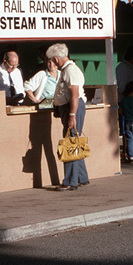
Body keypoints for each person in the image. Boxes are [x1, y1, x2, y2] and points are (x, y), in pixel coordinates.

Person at [49, 43, 89, 191]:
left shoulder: (70, 70)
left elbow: (75, 94)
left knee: (70, 141)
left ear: (56, 58)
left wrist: (72, 115)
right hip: (69, 107)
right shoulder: (67, 70)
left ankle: (70, 180)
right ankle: (81, 177)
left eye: (52, 60)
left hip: (72, 107)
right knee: (74, 140)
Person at [115, 45, 133, 134]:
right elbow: (121, 87)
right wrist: (128, 102)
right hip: (129, 103)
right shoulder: (122, 67)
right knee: (129, 131)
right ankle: (129, 147)